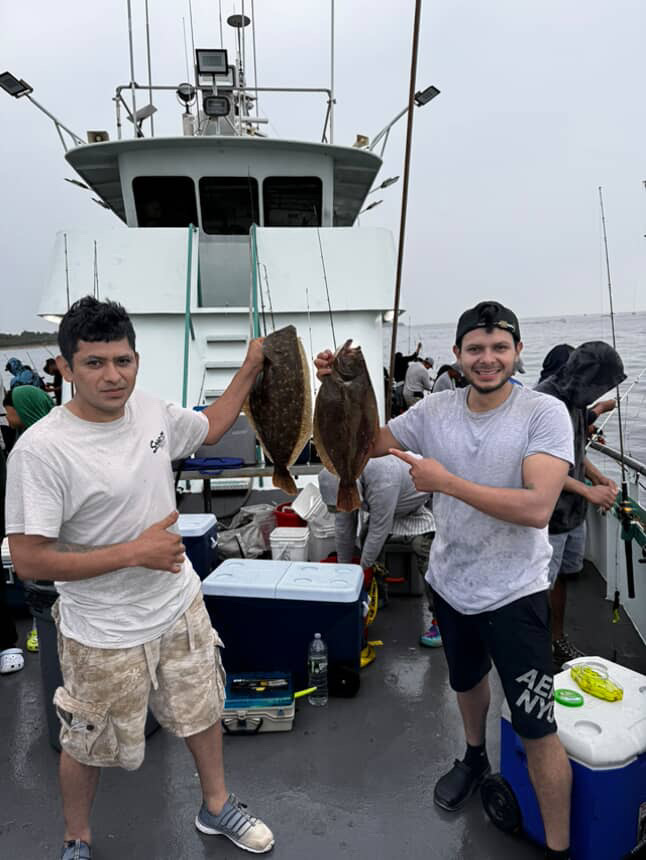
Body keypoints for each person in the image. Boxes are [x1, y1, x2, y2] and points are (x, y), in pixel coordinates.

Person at [5, 297, 274, 860]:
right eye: (95, 363)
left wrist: (250, 367)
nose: (112, 376)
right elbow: (29, 560)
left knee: (202, 707)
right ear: (65, 367)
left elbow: (212, 425)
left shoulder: (152, 411)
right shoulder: (42, 451)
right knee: (85, 738)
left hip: (177, 604)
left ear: (136, 359)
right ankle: (77, 839)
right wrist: (135, 552)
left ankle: (216, 805)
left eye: (122, 361)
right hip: (101, 628)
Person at [316, 299, 575, 859]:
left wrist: (447, 482)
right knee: (465, 682)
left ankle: (559, 848)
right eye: (475, 349)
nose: (487, 359)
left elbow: (536, 508)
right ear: (457, 355)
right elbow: (373, 443)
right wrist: (337, 392)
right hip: (452, 584)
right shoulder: (435, 409)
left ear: (518, 352)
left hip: (515, 593)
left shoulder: (544, 413)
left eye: (499, 348)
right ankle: (474, 755)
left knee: (536, 726)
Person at [535, 342, 625, 667]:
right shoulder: (544, 403)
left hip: (572, 515)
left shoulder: (574, 400)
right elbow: (541, 467)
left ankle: (557, 639)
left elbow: (576, 454)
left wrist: (598, 479)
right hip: (547, 517)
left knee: (562, 579)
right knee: (537, 585)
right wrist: (589, 492)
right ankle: (534, 647)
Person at [318, 456, 442, 647]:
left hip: (416, 509)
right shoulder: (343, 478)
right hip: (384, 511)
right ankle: (380, 595)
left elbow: (379, 529)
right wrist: (343, 573)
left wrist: (359, 575)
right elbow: (344, 528)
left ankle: (441, 622)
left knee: (424, 550)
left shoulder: (383, 476)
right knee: (365, 541)